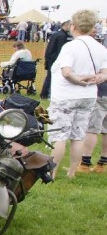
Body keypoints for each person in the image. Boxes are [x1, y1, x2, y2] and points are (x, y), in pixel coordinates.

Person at [47, 10, 107, 179]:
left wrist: (79, 80)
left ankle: (52, 172)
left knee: (59, 135)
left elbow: (66, 72)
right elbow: (105, 73)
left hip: (66, 96)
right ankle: (72, 172)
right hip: (88, 97)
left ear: (73, 26)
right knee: (78, 135)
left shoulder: (71, 47)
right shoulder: (100, 48)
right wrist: (94, 79)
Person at [41, 19, 73, 99]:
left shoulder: (55, 34)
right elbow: (61, 50)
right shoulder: (63, 36)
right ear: (66, 25)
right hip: (55, 59)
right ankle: (48, 94)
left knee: (49, 76)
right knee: (53, 77)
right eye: (70, 25)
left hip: (50, 58)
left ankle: (44, 94)